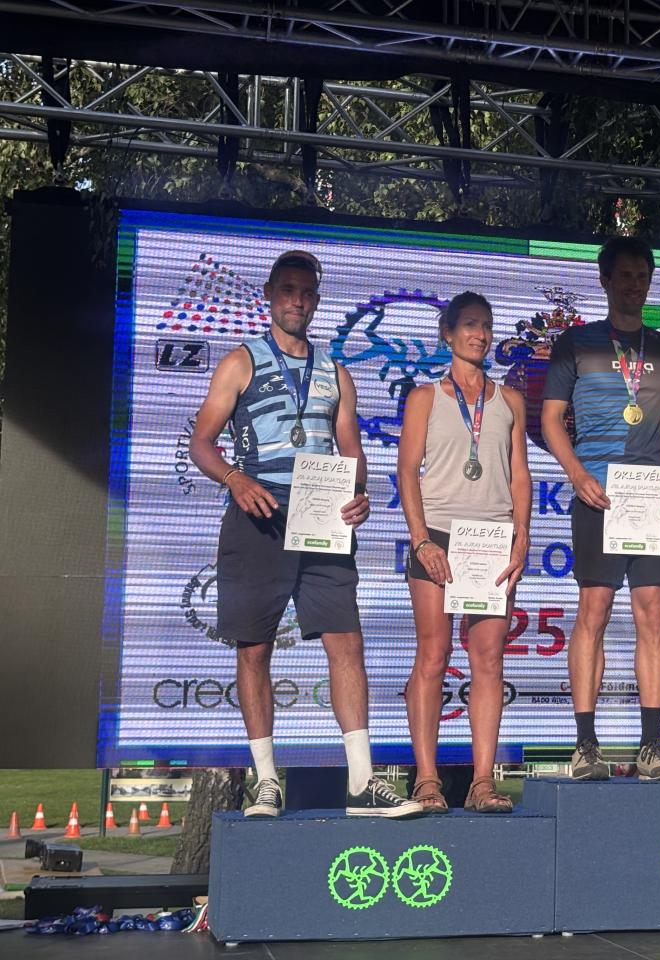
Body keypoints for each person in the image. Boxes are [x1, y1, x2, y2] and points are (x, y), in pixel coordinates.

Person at [190, 250, 421, 818]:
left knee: (347, 643)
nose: (297, 301)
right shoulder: (240, 362)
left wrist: (358, 492)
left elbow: (352, 450)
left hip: (322, 518)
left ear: (316, 301)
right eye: (288, 290)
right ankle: (267, 782)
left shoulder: (335, 371)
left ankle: (362, 783)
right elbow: (202, 443)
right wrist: (235, 478)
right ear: (270, 294)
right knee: (255, 648)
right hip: (259, 512)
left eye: (307, 292)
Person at [542, 236, 660, 781]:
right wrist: (577, 475)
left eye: (642, 276)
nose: (634, 285)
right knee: (595, 611)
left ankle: (651, 746)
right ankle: (585, 745)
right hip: (598, 494)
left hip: (652, 496)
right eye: (624, 276)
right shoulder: (575, 343)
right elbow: (550, 419)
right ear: (605, 281)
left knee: (653, 614)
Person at [397, 292, 531, 813]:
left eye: (486, 325)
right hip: (437, 535)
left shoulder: (510, 400)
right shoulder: (425, 397)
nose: (480, 334)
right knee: (433, 656)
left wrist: (522, 536)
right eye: (470, 325)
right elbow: (407, 471)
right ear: (448, 334)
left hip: (492, 538)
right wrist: (421, 539)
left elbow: (519, 474)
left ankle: (481, 782)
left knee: (489, 660)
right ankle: (427, 780)